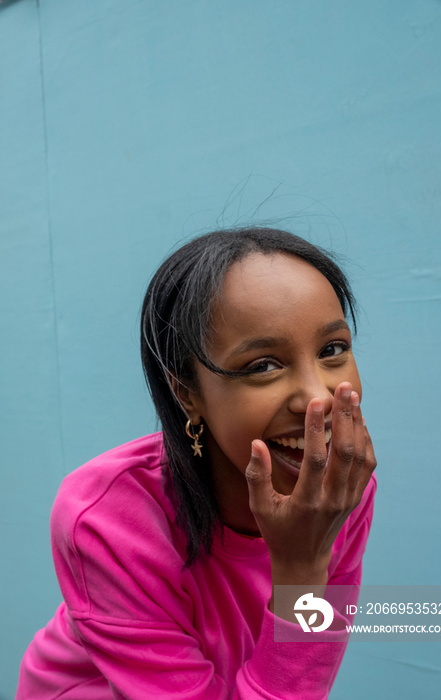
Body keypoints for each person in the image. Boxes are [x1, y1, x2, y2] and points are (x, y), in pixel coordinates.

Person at [16, 227, 377, 699]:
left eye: (332, 350)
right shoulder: (105, 519)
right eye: (263, 365)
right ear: (187, 391)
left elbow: (304, 675)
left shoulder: (341, 485)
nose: (318, 398)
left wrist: (304, 574)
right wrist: (303, 566)